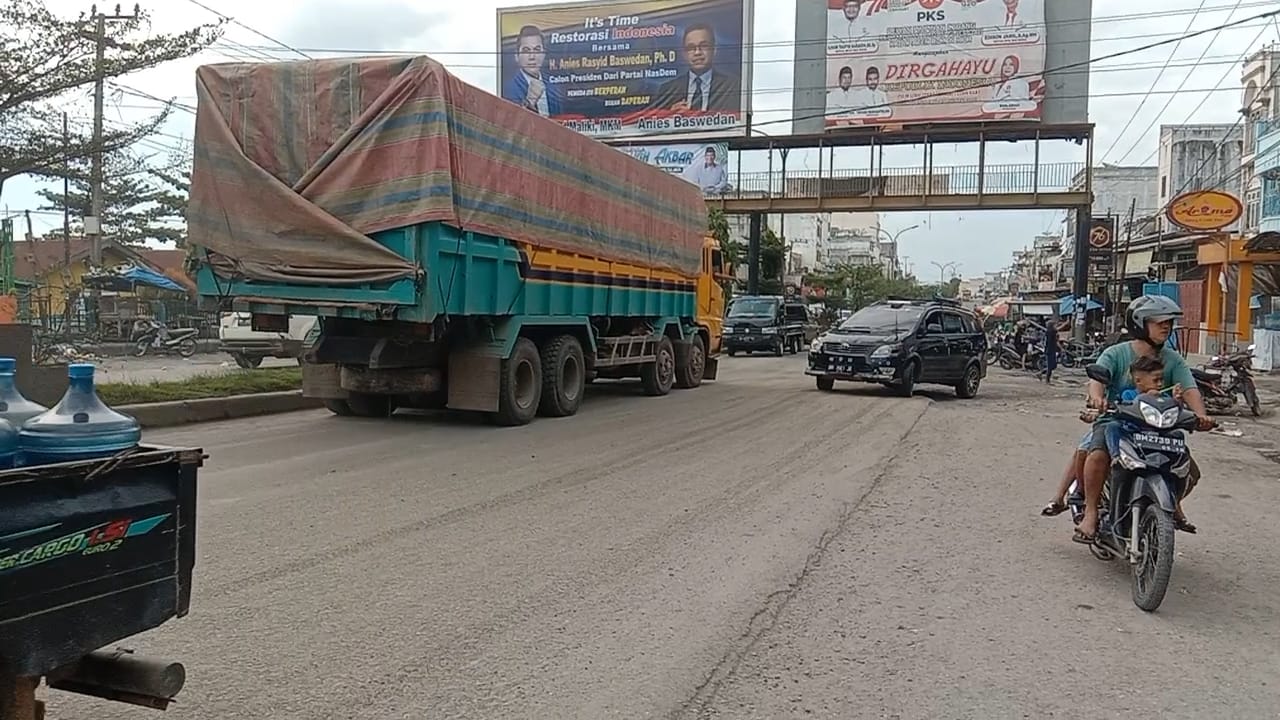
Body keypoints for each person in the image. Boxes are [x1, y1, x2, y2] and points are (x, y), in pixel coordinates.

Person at [1075, 294, 1213, 544]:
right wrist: (1097, 398)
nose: (1166, 327)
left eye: (1169, 322)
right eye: (1159, 321)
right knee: (1098, 456)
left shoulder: (1173, 359)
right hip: (1117, 423)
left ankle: (1169, 503)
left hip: (1157, 427)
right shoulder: (1115, 353)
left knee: (1189, 471)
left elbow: (1190, 389)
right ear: (1139, 323)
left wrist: (1201, 416)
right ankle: (1091, 511)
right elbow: (1097, 380)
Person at [1043, 354, 1201, 529]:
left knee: (1179, 439)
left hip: (1156, 440)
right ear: (1138, 381)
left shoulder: (1164, 396)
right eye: (1156, 380)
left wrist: (1177, 401)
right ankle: (1114, 460)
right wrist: (1102, 406)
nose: (1159, 384)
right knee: (1110, 429)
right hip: (1131, 437)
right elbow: (1114, 405)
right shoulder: (1128, 393)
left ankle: (1174, 503)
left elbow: (1175, 412)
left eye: (1161, 380)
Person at [648, 24, 741, 113]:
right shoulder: (667, 90)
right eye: (691, 48)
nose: (697, 52)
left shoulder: (733, 86)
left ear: (714, 50)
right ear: (684, 54)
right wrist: (669, 116)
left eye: (704, 46)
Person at [502, 25, 561, 116]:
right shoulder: (508, 90)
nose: (532, 57)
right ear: (516, 56)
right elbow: (510, 121)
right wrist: (530, 102)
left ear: (544, 54)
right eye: (526, 50)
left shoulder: (554, 86)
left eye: (537, 50)